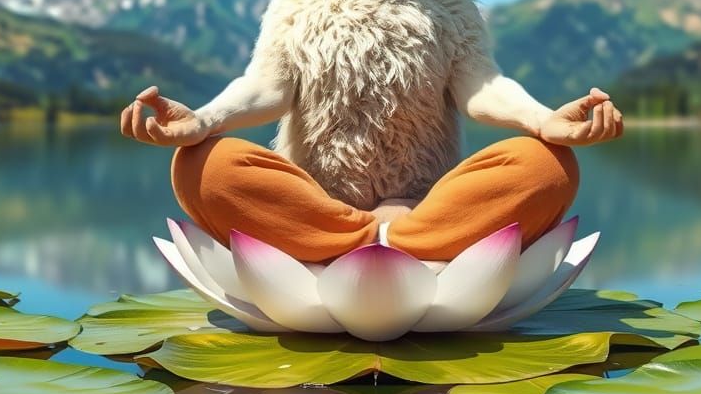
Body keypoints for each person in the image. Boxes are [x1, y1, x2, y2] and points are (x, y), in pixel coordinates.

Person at [119, 84, 622, 265]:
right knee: (201, 164)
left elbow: (481, 87)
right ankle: (393, 243)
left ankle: (374, 242)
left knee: (548, 164)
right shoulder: (296, 5)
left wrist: (541, 120)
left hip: (430, 207)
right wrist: (202, 121)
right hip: (315, 205)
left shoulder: (450, 5)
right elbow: (264, 89)